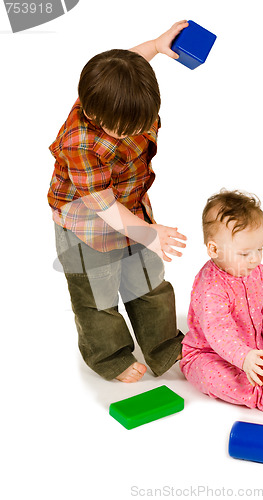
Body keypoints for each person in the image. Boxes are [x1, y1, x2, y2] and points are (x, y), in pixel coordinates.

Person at [48, 21, 188, 383]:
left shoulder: (115, 95)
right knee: (97, 295)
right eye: (125, 130)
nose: (134, 134)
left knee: (150, 283)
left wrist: (156, 46)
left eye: (141, 125)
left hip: (133, 209)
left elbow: (128, 63)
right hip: (86, 225)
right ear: (93, 113)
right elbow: (103, 205)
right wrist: (149, 233)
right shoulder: (79, 143)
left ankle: (165, 347)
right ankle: (110, 356)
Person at [180, 189, 263, 416]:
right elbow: (219, 332)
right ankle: (254, 394)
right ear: (214, 249)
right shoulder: (212, 286)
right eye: (245, 254)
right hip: (209, 353)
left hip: (254, 350)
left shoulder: (261, 274)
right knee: (211, 376)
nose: (256, 259)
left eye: (260, 249)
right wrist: (242, 357)